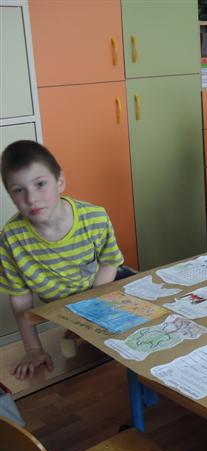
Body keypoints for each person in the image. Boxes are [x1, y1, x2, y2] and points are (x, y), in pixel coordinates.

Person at [0, 140, 124, 379]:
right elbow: (20, 299)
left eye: (40, 184)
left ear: (60, 181)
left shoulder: (95, 218)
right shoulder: (10, 239)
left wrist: (88, 312)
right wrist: (33, 349)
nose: (31, 198)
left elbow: (110, 263)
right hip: (63, 310)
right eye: (18, 190)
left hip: (103, 292)